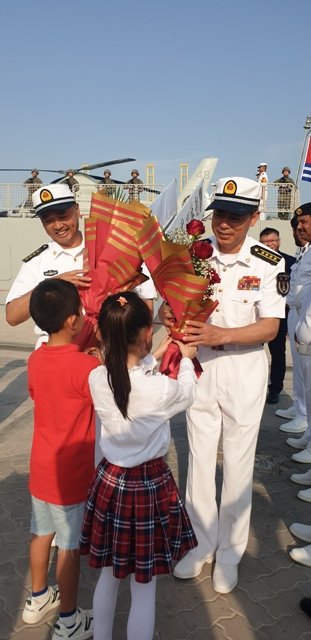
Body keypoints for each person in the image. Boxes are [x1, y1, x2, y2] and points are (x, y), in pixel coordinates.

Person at [162, 177, 285, 593]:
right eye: (219, 214)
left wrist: (222, 336)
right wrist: (168, 314)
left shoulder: (267, 262)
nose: (225, 224)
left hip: (244, 371)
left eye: (236, 216)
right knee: (198, 457)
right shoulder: (195, 255)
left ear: (254, 218)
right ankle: (199, 544)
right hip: (201, 369)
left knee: (237, 462)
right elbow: (171, 302)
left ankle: (230, 553)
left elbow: (269, 327)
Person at [79, 291, 198, 640]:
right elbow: (188, 393)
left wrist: (157, 352)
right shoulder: (159, 390)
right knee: (143, 586)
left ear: (104, 333)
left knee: (109, 575)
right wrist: (187, 358)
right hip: (149, 485)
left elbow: (131, 370)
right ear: (146, 333)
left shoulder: (97, 377)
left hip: (110, 482)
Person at [23, 278, 100, 639]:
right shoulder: (85, 369)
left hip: (40, 470)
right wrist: (99, 358)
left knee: (41, 533)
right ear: (73, 321)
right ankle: (69, 620)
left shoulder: (35, 360)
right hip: (70, 475)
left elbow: (42, 393)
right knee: (68, 549)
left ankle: (37, 598)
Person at [5, 183, 157, 346]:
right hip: (56, 354)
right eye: (48, 220)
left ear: (77, 210)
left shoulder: (113, 247)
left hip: (109, 350)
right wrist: (50, 286)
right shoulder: (36, 262)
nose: (57, 225)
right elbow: (12, 316)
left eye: (63, 216)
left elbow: (146, 301)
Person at [277, 217, 308, 433]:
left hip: (306, 316)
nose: (299, 228)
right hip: (297, 315)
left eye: (305, 222)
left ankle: (304, 417)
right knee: (299, 371)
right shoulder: (304, 253)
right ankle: (300, 409)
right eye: (296, 225)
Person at [259, 227, 295, 404]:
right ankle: (254, 387)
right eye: (265, 242)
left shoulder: (290, 262)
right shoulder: (254, 261)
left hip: (280, 315)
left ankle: (275, 390)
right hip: (256, 315)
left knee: (278, 352)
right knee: (251, 351)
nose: (269, 245)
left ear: (279, 241)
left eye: (272, 241)